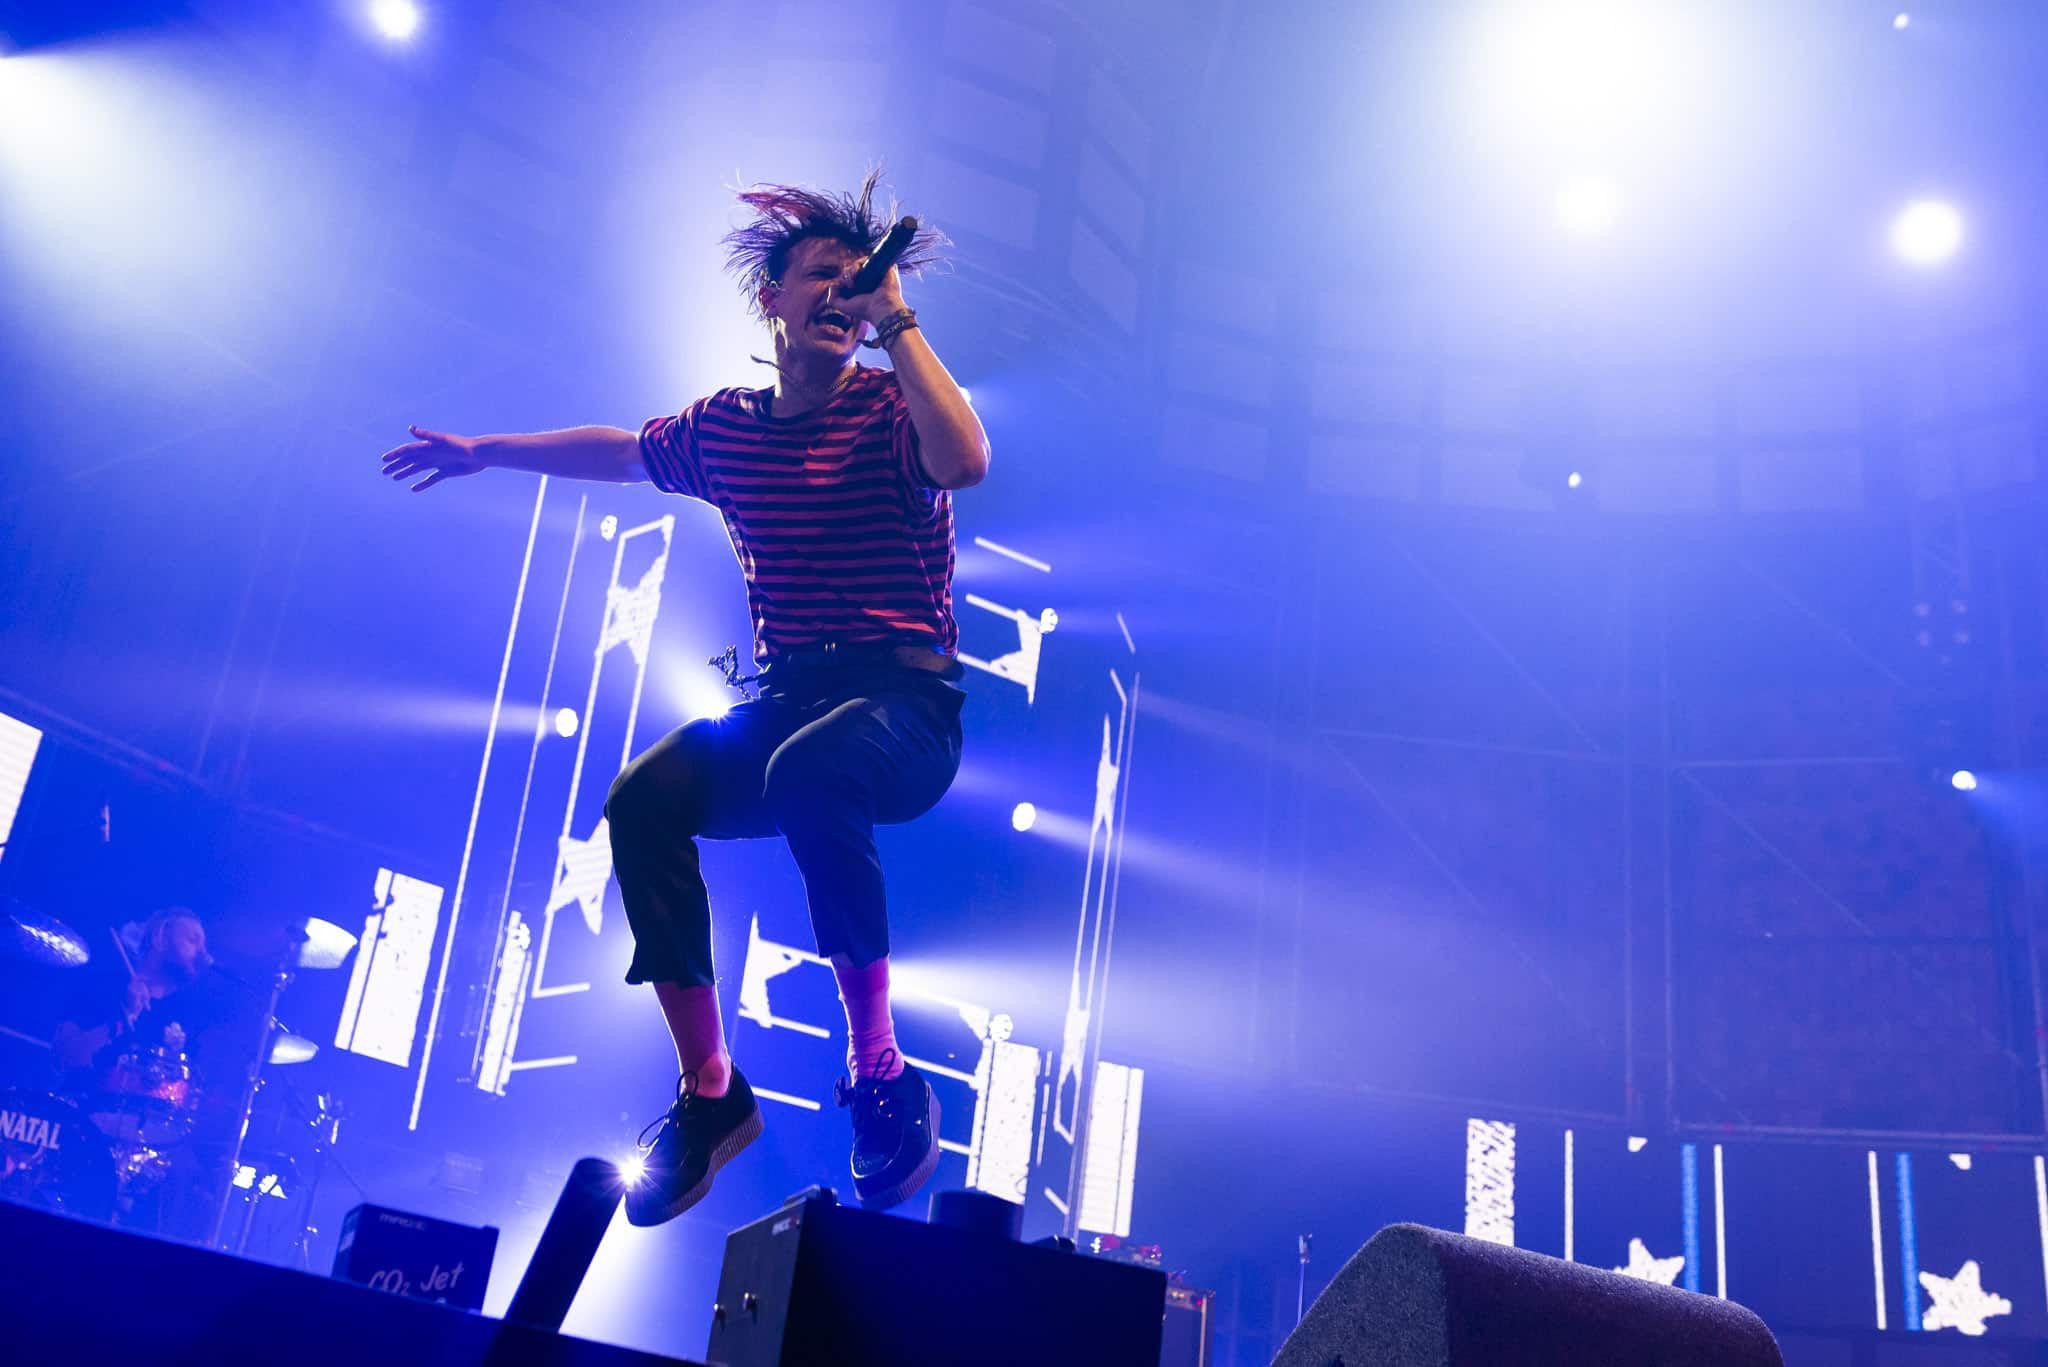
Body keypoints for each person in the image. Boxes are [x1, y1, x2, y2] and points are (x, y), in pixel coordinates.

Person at [379, 172, 988, 1225]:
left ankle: (878, 1066)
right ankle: (710, 1092)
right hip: (792, 700)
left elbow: (965, 459)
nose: (843, 293)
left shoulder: (893, 404)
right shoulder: (727, 429)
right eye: (822, 277)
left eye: (858, 280)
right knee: (641, 797)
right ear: (773, 301)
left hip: (905, 704)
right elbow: (621, 451)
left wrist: (901, 325)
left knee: (813, 769)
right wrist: (488, 452)